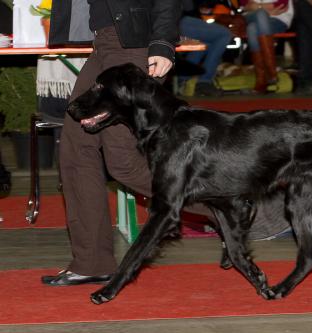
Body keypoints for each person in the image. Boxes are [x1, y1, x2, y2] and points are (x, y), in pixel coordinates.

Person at [42, 0, 291, 286]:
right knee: (76, 149)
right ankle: (91, 262)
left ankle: (240, 207)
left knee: (123, 164)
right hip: (104, 40)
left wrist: (162, 42)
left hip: (130, 42)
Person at [178, 0, 233, 96]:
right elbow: (189, 6)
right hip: (171, 21)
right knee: (225, 34)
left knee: (208, 43)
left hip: (173, 20)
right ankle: (204, 81)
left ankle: (185, 80)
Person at [240, 0, 294, 93]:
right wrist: (263, 10)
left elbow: (282, 4)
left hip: (278, 18)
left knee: (252, 28)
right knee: (261, 15)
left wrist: (258, 7)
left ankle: (261, 78)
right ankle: (271, 73)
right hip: (252, 15)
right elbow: (244, 4)